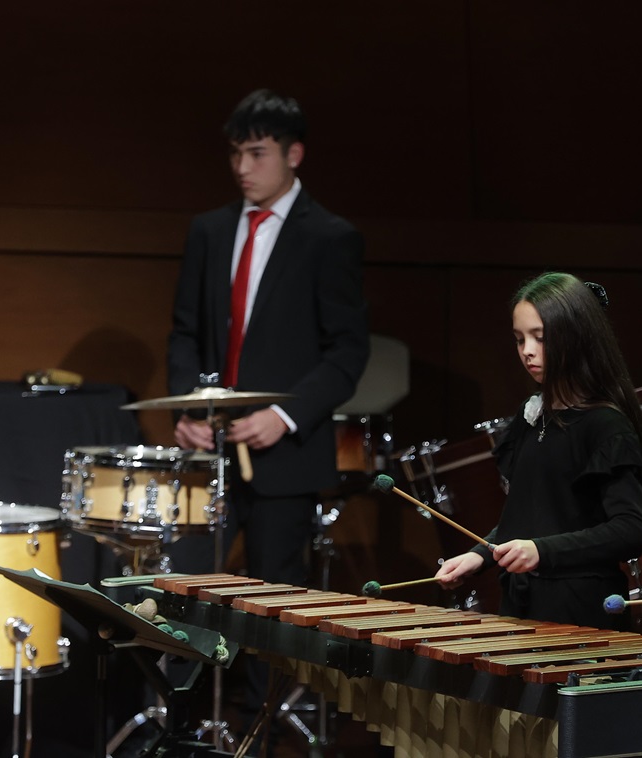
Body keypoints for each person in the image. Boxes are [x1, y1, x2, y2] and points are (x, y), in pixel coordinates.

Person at [165, 88, 369, 748]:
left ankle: (263, 734)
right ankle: (183, 728)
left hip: (285, 457)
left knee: (270, 603)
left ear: (293, 154)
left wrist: (285, 415)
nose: (242, 168)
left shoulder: (330, 237)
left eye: (256, 154)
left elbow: (347, 352)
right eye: (235, 154)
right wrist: (188, 409)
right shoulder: (209, 230)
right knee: (186, 590)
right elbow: (186, 334)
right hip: (212, 454)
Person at [434, 272, 642, 631]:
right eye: (520, 339)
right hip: (523, 606)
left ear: (576, 337)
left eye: (540, 337)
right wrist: (480, 555)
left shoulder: (605, 426)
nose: (528, 351)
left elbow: (633, 530)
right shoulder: (532, 416)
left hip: (579, 614)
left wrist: (541, 551)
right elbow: (529, 519)